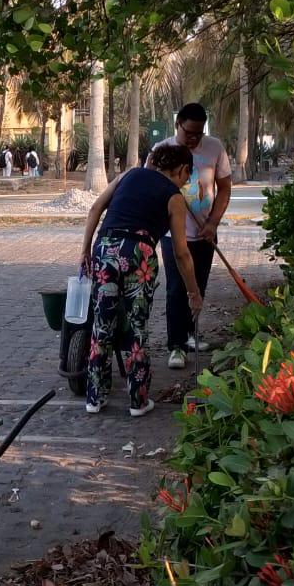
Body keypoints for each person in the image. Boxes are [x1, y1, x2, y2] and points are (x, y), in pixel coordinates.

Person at [79, 144, 203, 416]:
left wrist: (85, 251)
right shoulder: (174, 197)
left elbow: (95, 210)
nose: (186, 182)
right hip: (139, 254)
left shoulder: (129, 175)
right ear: (182, 170)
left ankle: (94, 398)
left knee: (102, 324)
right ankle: (137, 400)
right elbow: (181, 252)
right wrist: (194, 293)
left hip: (105, 248)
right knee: (137, 327)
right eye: (187, 176)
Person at [147, 103, 233, 369]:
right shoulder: (161, 151)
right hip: (174, 235)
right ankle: (176, 346)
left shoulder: (215, 147)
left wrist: (213, 223)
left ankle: (190, 335)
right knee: (176, 288)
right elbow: (148, 186)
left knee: (198, 287)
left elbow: (225, 189)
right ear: (178, 126)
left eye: (199, 133)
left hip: (204, 233)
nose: (194, 139)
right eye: (189, 133)